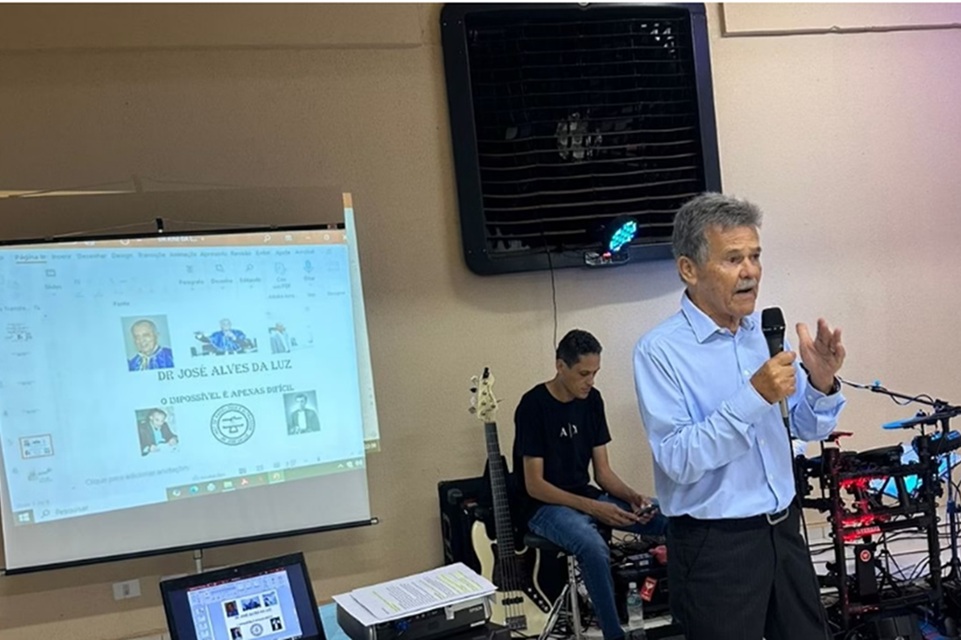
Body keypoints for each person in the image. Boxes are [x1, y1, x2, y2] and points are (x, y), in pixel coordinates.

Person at [633, 193, 846, 640]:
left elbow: (807, 428)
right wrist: (753, 397)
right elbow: (677, 459)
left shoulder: (764, 335)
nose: (750, 271)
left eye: (755, 256)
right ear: (689, 269)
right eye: (733, 259)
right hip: (715, 549)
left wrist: (822, 383)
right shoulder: (660, 351)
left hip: (784, 532)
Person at [513, 329, 667, 640]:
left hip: (585, 495)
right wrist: (595, 508)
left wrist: (633, 496)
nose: (590, 381)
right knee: (592, 546)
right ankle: (613, 635)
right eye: (584, 374)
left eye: (595, 373)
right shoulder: (533, 405)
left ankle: (682, 611)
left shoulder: (592, 401)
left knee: (670, 515)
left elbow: (603, 473)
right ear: (560, 366)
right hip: (543, 506)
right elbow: (535, 485)